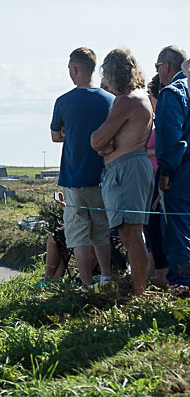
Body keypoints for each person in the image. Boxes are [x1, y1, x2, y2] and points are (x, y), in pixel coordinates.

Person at [90, 48, 153, 296]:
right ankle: (140, 289)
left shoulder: (126, 101)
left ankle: (139, 292)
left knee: (131, 234)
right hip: (132, 167)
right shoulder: (142, 97)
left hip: (126, 169)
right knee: (133, 233)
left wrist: (105, 142)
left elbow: (97, 140)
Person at [50, 47, 114, 288]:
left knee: (79, 234)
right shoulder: (110, 100)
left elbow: (56, 135)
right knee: (101, 230)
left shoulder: (63, 101)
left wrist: (70, 132)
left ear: (75, 69)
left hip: (74, 177)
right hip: (102, 176)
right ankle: (106, 277)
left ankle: (86, 284)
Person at [155, 45, 190, 286]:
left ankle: (181, 289)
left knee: (178, 231)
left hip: (181, 174)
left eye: (157, 66)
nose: (157, 72)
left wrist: (165, 171)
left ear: (167, 66)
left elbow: (170, 137)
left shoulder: (172, 93)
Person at [144, 75, 168, 287]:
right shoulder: (158, 121)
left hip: (161, 182)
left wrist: (143, 150)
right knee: (150, 233)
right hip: (152, 181)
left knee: (155, 231)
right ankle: (152, 278)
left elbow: (164, 152)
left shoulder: (165, 121)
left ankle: (161, 280)